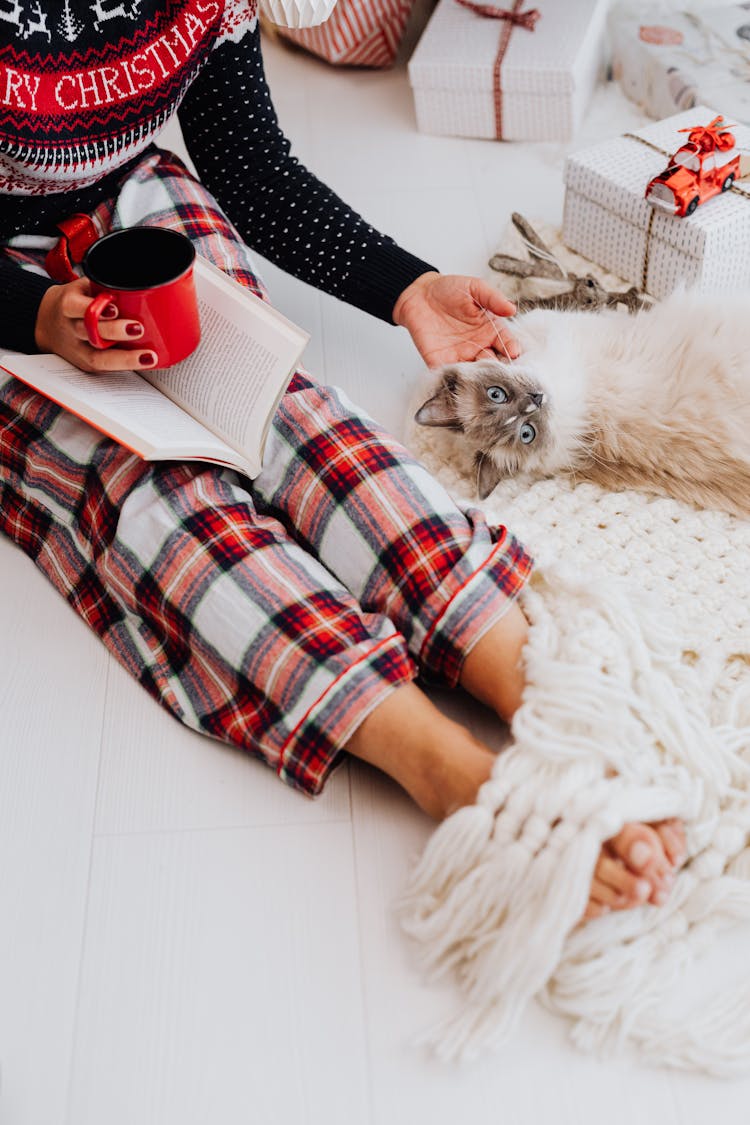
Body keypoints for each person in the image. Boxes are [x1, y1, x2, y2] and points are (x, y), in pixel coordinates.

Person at [0, 0, 684, 921]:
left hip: (131, 206)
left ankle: (545, 695)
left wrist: (404, 287)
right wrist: (37, 317)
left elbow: (251, 165)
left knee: (281, 412)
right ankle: (443, 767)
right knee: (160, 497)